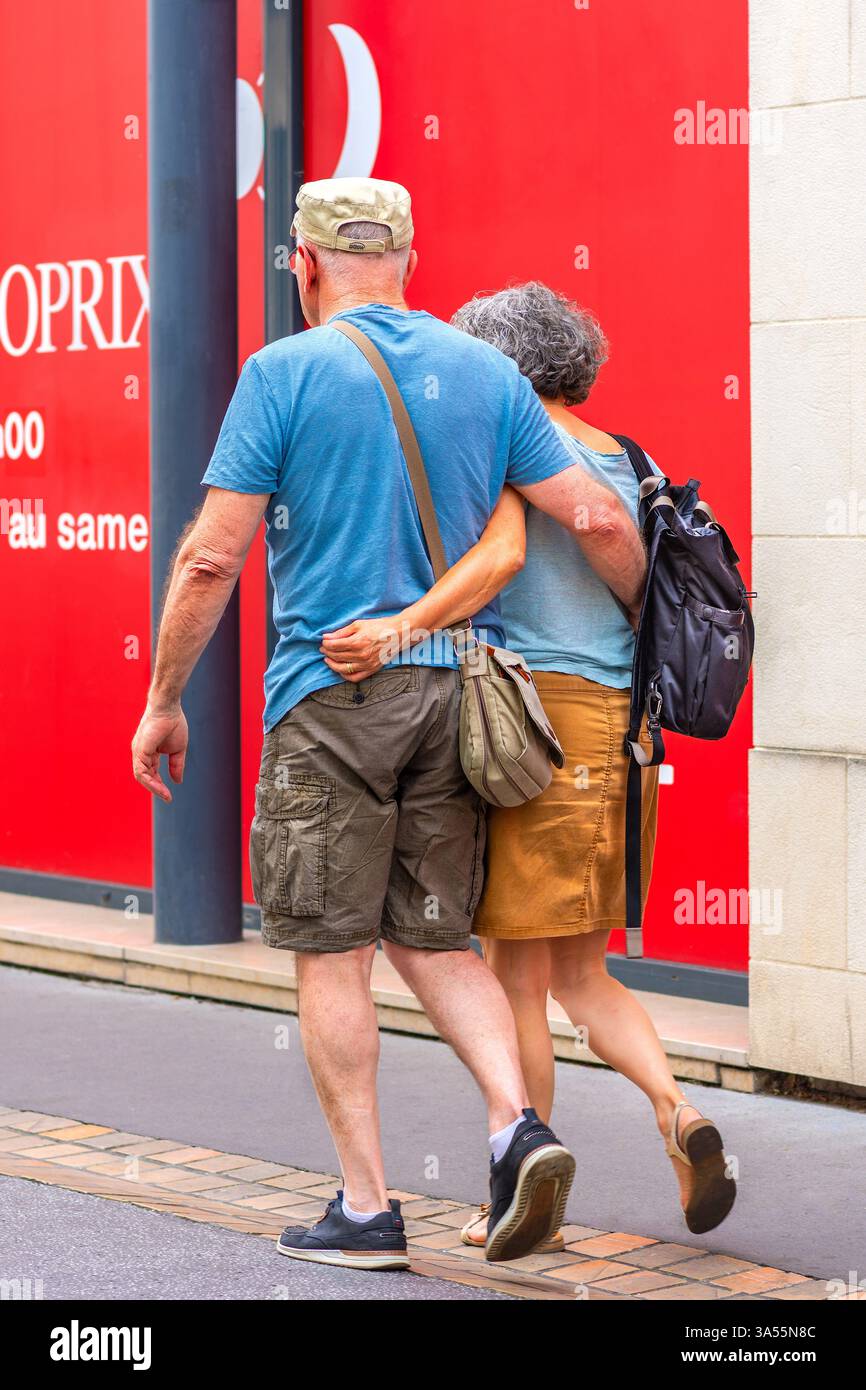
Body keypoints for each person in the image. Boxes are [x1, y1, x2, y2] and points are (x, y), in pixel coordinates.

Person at [131, 181, 648, 1270]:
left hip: (330, 704)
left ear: (302, 265)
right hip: (454, 699)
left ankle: (366, 1207)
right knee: (433, 937)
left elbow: (210, 557)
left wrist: (164, 697)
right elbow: (595, 515)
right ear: (408, 257)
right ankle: (518, 1125)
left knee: (330, 952)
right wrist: (648, 631)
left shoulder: (282, 373)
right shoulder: (486, 372)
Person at [329, 281, 737, 1246]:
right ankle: (679, 1114)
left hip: (537, 732)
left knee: (515, 978)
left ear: (498, 366)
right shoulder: (627, 455)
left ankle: (526, 1201)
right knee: (583, 976)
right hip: (629, 733)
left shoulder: (519, 447)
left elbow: (539, 547)